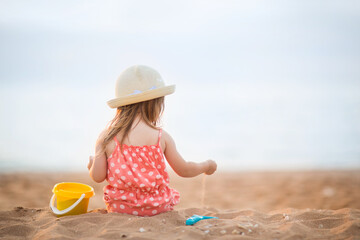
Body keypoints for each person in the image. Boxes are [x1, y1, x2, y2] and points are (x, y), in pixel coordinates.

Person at [87, 65, 217, 216]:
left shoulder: (106, 137)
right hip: (157, 208)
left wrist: (91, 164)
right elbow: (184, 169)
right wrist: (206, 165)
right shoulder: (161, 137)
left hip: (120, 209)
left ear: (120, 105)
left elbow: (97, 177)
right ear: (157, 104)